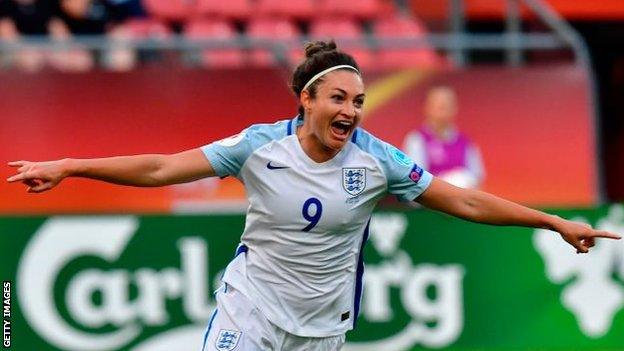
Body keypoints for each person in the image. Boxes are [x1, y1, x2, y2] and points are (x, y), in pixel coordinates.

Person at [6, 41, 620, 351]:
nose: (351, 110)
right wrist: (70, 165)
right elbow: (164, 166)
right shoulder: (258, 146)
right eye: (339, 99)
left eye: (358, 102)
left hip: (324, 331)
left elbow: (463, 201)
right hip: (250, 315)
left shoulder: (378, 161)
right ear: (306, 100)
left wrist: (553, 221)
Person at [403, 85, 484, 189]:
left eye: (447, 107)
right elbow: (414, 182)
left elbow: (477, 179)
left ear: (455, 109)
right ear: (427, 108)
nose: (443, 112)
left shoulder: (466, 142)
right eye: (440, 107)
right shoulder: (417, 140)